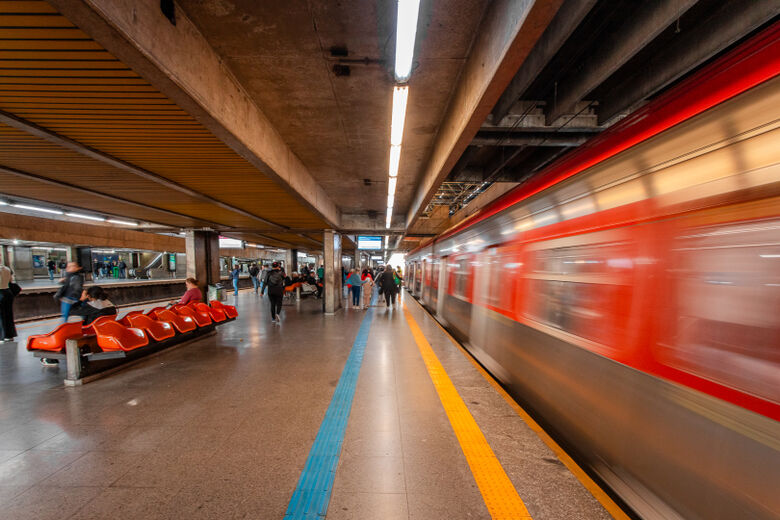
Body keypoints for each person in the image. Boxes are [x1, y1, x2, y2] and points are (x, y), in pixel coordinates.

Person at [0, 265, 20, 342]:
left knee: (1, 316)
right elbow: (10, 280)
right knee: (9, 315)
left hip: (0, 292)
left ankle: (2, 336)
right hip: (8, 293)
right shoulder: (7, 269)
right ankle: (9, 335)